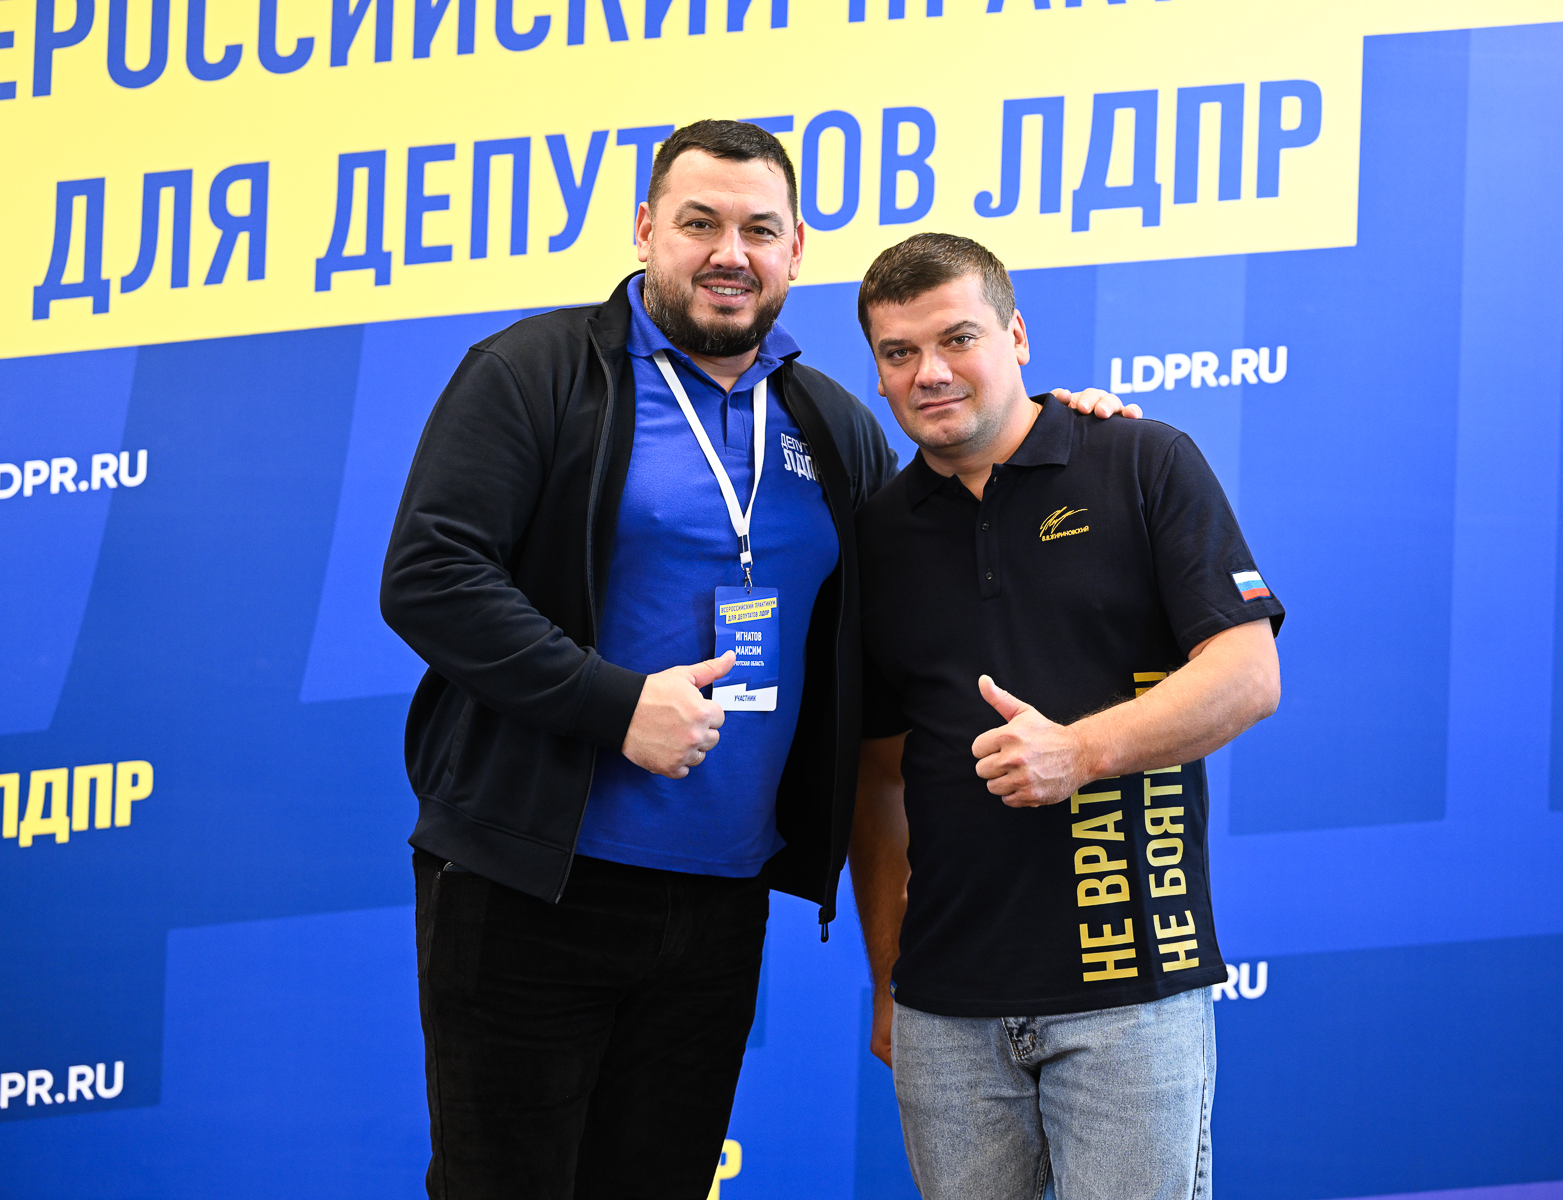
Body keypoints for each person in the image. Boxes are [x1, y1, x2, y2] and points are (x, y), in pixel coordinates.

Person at [381, 122, 1132, 1199]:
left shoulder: (829, 423)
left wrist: (1076, 441)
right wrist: (613, 705)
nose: (730, 253)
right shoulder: (535, 372)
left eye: (759, 230)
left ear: (796, 251)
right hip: (530, 881)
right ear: (647, 230)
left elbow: (950, 516)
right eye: (700, 223)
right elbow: (430, 575)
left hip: (720, 899)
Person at [849, 232, 1284, 1200]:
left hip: (1131, 991)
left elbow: (1249, 673)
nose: (930, 373)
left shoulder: (1141, 460)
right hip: (945, 1012)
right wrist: (887, 978)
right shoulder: (876, 534)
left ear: (1016, 336)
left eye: (958, 339)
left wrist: (1080, 752)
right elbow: (877, 779)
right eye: (898, 352)